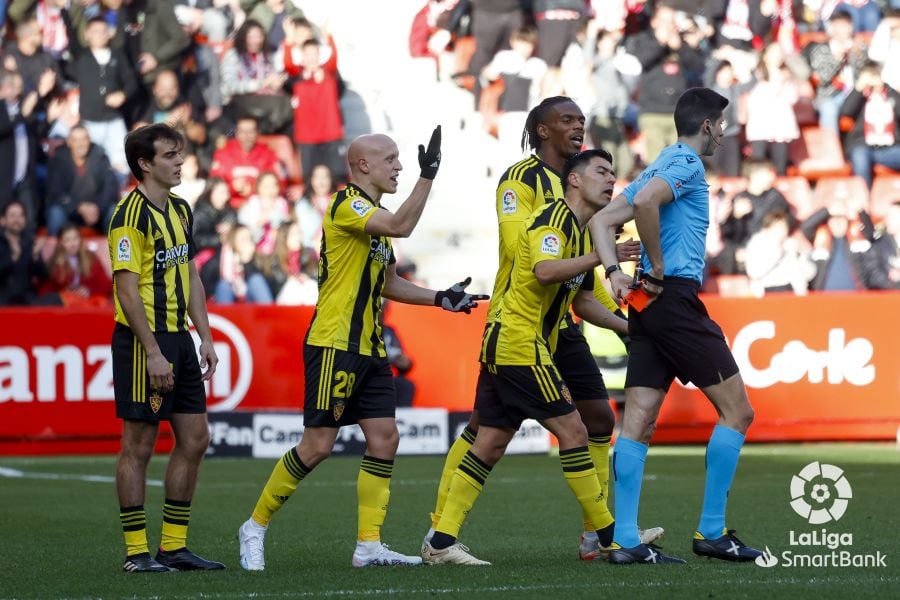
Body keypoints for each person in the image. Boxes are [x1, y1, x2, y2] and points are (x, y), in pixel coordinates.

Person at [237, 126, 489, 571]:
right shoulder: (347, 204)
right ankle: (254, 526)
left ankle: (368, 546)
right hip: (335, 343)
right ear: (363, 166)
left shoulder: (374, 214)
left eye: (400, 160)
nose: (400, 166)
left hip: (371, 348)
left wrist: (439, 298)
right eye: (391, 159)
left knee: (385, 438)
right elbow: (402, 225)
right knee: (316, 446)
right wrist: (427, 178)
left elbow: (389, 281)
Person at [423, 96, 658, 564]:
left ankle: (442, 541)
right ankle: (608, 536)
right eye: (567, 120)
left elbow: (582, 292)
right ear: (542, 130)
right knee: (558, 430)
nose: (578, 127)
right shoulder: (528, 187)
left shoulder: (582, 221)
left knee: (512, 433)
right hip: (521, 327)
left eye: (582, 121)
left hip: (552, 324)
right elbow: (535, 261)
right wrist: (595, 256)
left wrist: (625, 326)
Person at [588, 87, 763, 564]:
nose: (724, 134)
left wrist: (615, 273)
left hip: (647, 306)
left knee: (639, 420)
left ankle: (625, 539)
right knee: (738, 412)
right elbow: (646, 204)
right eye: (722, 125)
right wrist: (658, 268)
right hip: (674, 298)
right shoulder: (686, 164)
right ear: (706, 125)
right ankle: (711, 531)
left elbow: (601, 222)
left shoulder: (658, 162)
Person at [107, 123, 224, 573]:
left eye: (180, 154)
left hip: (179, 337)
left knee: (196, 438)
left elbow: (191, 273)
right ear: (145, 164)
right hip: (144, 342)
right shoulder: (128, 217)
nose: (180, 162)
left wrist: (206, 334)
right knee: (138, 444)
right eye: (171, 155)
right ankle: (137, 553)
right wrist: (152, 351)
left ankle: (173, 547)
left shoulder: (180, 209)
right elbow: (126, 290)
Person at [37, 223, 112, 306]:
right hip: (65, 304)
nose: (72, 244)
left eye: (75, 239)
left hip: (89, 302)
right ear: (61, 243)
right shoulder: (55, 262)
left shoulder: (91, 258)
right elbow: (47, 289)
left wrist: (89, 290)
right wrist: (65, 291)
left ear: (80, 239)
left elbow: (106, 284)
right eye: (67, 240)